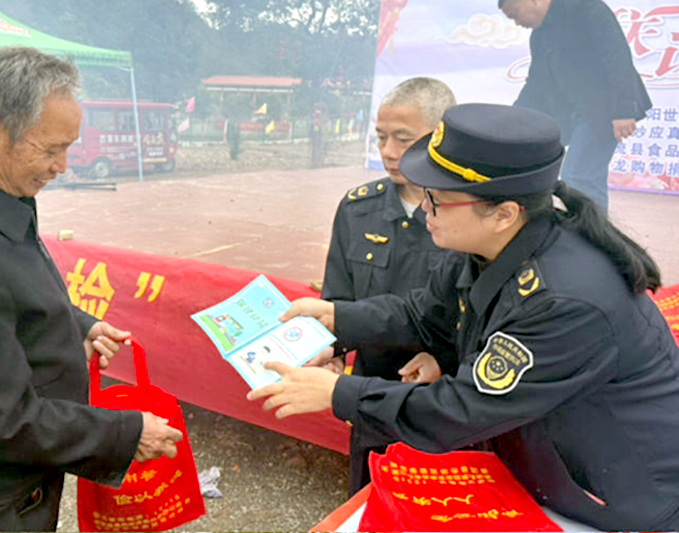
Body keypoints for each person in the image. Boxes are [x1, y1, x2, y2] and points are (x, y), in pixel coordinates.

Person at [248, 103, 679, 530]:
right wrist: (337, 317)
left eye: (437, 200)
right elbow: (425, 313)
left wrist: (340, 393)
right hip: (549, 471)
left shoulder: (565, 301)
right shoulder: (487, 245)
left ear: (503, 213)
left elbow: (461, 409)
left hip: (617, 502)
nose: (424, 209)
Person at [0, 48, 183, 532]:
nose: (63, 166)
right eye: (51, 149)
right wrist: (126, 434)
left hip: (19, 485)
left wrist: (74, 325)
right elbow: (1, 422)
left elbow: (4, 289)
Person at [313, 77, 455, 494]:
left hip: (445, 398)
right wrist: (333, 351)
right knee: (369, 495)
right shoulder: (359, 208)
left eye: (403, 139)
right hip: (369, 393)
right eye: (381, 138)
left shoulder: (466, 213)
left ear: (439, 137)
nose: (389, 152)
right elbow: (338, 298)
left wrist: (447, 361)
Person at [499, 0, 651, 213]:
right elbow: (537, 82)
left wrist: (624, 110)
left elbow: (617, 57)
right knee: (561, 172)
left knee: (580, 174)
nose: (517, 22)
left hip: (605, 110)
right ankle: (578, 226)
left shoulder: (587, 9)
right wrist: (514, 116)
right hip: (572, 113)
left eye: (515, 14)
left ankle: (592, 232)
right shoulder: (540, 35)